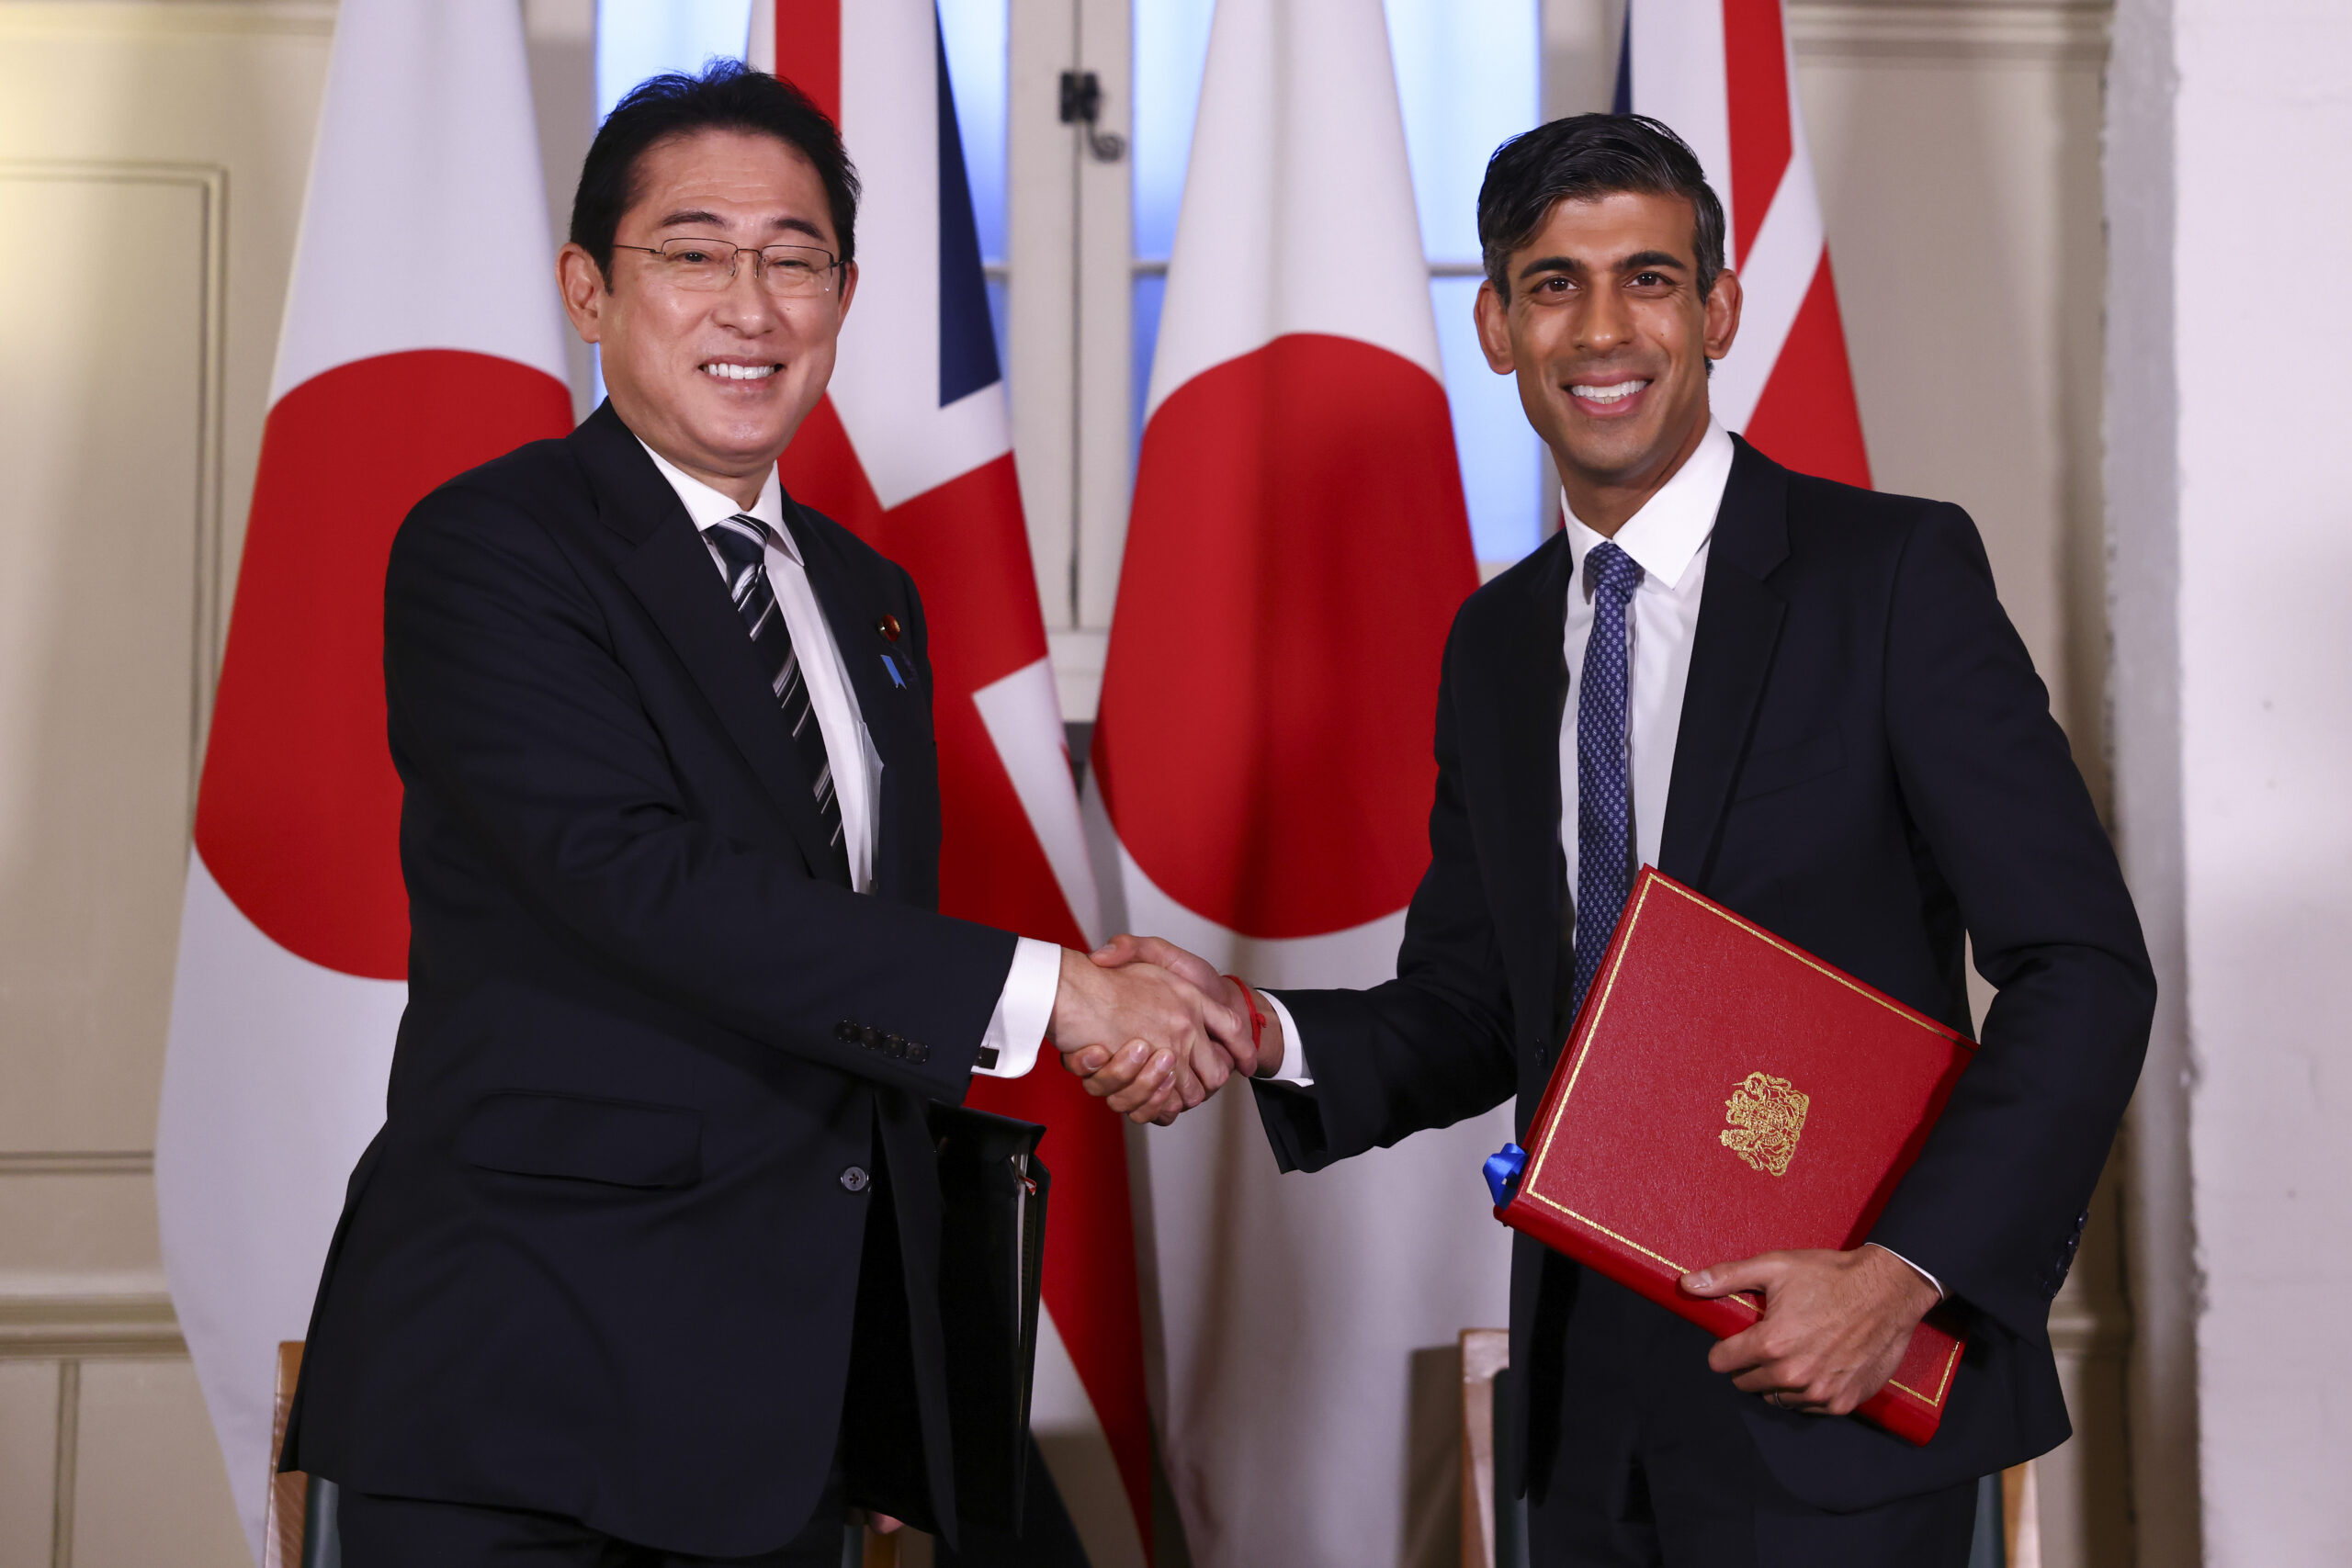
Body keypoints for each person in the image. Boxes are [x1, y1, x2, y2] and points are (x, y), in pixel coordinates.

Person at [1084, 115, 2154, 1566]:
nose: (1604, 328)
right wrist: (1260, 1028)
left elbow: (2084, 968)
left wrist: (1902, 1280)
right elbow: (1478, 1006)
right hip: (1588, 1414)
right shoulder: (1500, 640)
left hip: (1830, 1396)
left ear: (1716, 310)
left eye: (1649, 279)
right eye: (1553, 283)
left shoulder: (1889, 578)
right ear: (1496, 324)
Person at [278, 64, 1231, 1566]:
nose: (751, 304)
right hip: (527, 1395)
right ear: (588, 290)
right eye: (694, 252)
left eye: (794, 261)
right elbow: (642, 885)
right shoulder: (493, 546)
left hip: (789, 1407)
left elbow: (849, 956)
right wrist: (1061, 994)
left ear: (843, 297)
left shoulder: (870, 602)